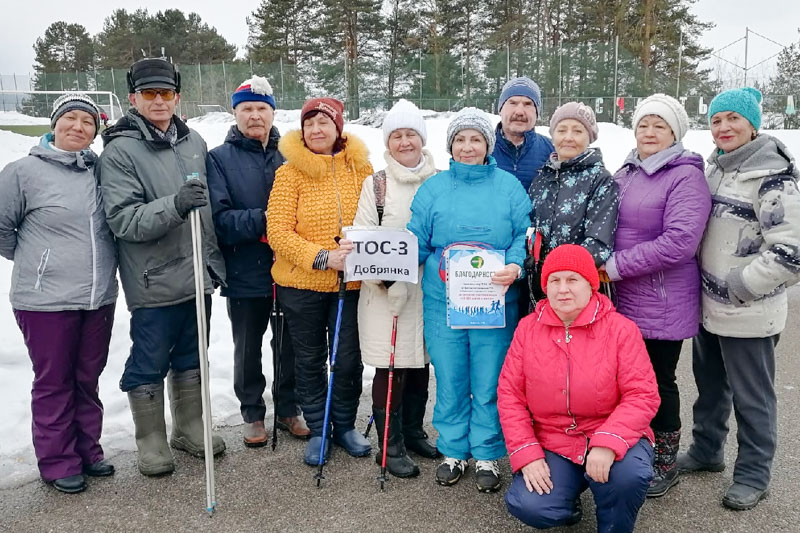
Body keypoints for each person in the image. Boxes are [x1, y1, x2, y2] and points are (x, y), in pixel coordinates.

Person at [97, 58, 227, 476]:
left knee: (193, 355)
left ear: (177, 97)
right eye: (149, 94)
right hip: (153, 279)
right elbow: (123, 220)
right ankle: (150, 438)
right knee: (149, 359)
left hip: (196, 277)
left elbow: (206, 216)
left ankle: (189, 426)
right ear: (132, 98)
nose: (158, 101)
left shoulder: (194, 142)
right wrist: (173, 205)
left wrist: (213, 262)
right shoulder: (120, 151)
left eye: (166, 93)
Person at [678, 87, 800, 510]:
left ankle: (752, 473)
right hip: (708, 308)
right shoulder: (716, 169)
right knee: (710, 386)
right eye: (716, 120)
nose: (724, 127)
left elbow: (791, 252)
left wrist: (739, 286)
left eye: (733, 119)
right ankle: (707, 450)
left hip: (748, 309)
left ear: (753, 124)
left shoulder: (772, 176)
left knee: (753, 397)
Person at [407, 107, 530, 492]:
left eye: (475, 139)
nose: (467, 147)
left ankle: (489, 453)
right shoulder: (434, 189)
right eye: (460, 139)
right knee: (451, 377)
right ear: (450, 145)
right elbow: (417, 242)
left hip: (494, 302)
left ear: (487, 145)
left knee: (490, 379)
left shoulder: (509, 186)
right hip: (443, 302)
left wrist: (515, 266)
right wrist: (379, 258)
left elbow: (522, 236)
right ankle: (454, 449)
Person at [0, 94, 117, 494]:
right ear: (55, 124)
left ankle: (88, 450)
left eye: (87, 121)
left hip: (98, 296)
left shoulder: (99, 169)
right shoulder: (21, 172)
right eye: (70, 118)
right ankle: (57, 460)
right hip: (45, 301)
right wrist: (40, 261)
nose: (78, 127)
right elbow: (2, 229)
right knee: (54, 380)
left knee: (87, 378)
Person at [498, 244, 659, 532]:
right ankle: (567, 502)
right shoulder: (527, 329)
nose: (563, 289)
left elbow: (642, 394)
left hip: (610, 429)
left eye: (573, 280)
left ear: (591, 285)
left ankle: (614, 524)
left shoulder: (622, 330)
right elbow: (510, 395)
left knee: (628, 477)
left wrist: (608, 441)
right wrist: (528, 452)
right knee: (529, 504)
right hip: (554, 438)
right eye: (554, 281)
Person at [602, 94, 711, 498]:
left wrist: (614, 265)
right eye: (643, 124)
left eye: (659, 126)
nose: (649, 132)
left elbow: (680, 242)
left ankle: (666, 461)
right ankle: (635, 447)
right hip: (624, 298)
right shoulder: (626, 170)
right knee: (627, 380)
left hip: (662, 300)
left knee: (657, 380)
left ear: (675, 133)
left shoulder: (685, 176)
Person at [267, 97, 374, 465]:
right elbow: (278, 230)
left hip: (353, 285)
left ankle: (344, 425)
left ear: (338, 127)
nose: (316, 130)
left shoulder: (361, 169)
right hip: (303, 284)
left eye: (323, 123)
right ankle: (318, 427)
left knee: (346, 359)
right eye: (309, 123)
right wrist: (322, 257)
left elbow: (375, 219)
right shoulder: (290, 172)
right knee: (309, 359)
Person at [206, 76, 309, 447]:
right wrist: (268, 220)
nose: (254, 116)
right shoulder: (219, 159)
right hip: (245, 269)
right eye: (246, 109)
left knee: (289, 344)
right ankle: (252, 411)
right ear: (234, 113)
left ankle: (288, 407)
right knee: (247, 345)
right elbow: (220, 220)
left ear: (272, 112)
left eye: (261, 109)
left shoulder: (292, 154)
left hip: (291, 269)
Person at [352, 99, 440, 478]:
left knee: (421, 364)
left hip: (429, 291)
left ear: (422, 138)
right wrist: (385, 277)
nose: (405, 142)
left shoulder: (441, 180)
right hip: (386, 295)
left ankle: (413, 429)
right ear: (388, 142)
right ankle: (389, 443)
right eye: (397, 136)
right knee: (394, 366)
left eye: (411, 134)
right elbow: (362, 236)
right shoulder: (377, 185)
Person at [527, 101, 618, 302]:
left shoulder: (600, 179)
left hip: (576, 291)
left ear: (589, 137)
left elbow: (598, 242)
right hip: (540, 289)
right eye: (562, 130)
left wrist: (560, 276)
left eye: (577, 131)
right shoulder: (542, 179)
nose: (568, 137)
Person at [493, 76, 554, 318]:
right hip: (495, 256)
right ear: (500, 108)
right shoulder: (481, 147)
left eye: (528, 104)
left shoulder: (551, 151)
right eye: (513, 103)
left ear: (537, 112)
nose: (520, 110)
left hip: (538, 260)